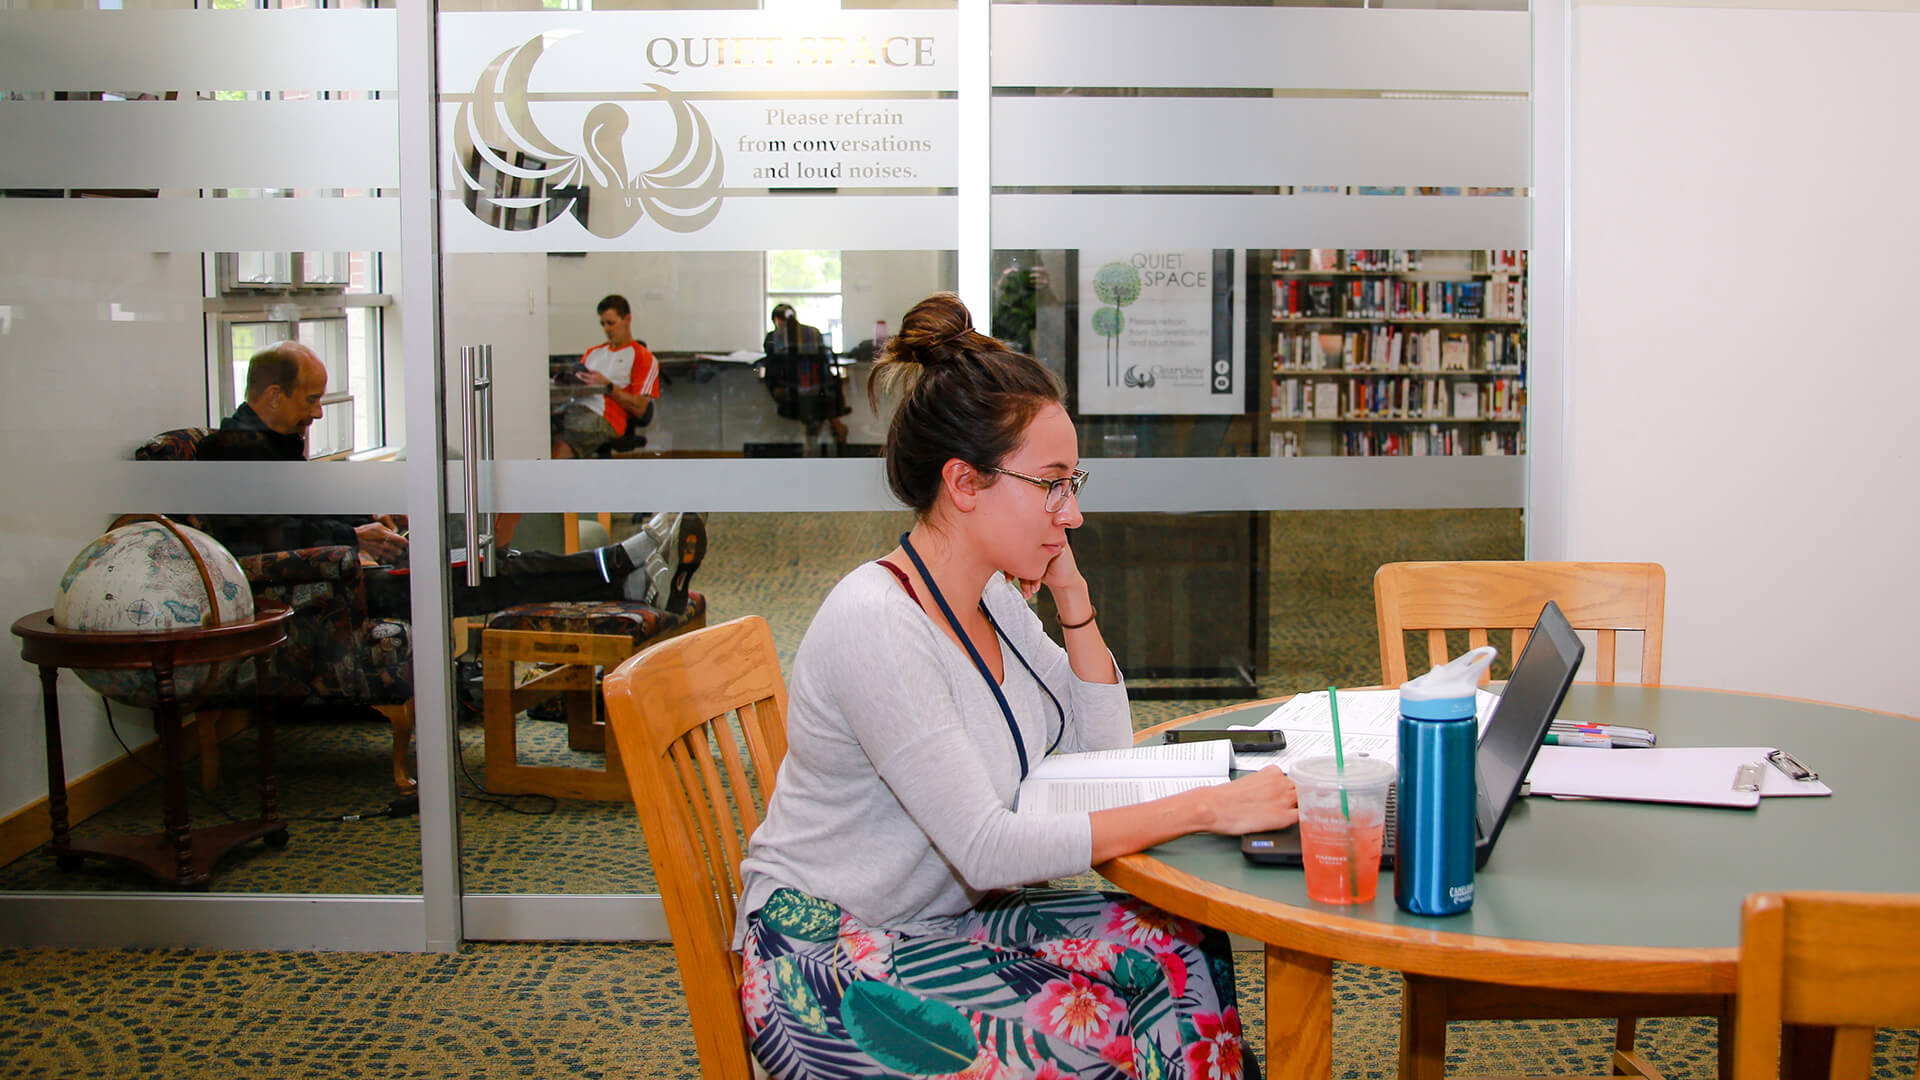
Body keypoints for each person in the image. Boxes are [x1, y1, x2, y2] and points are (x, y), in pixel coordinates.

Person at [734, 293, 1299, 1079]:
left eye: (1074, 483)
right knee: (1115, 1032)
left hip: (936, 923)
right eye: (1052, 484)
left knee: (1184, 942)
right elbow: (986, 847)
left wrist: (1072, 597)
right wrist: (1212, 806)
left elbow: (1100, 754)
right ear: (964, 482)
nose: (1070, 513)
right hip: (833, 960)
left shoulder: (991, 595)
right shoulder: (881, 622)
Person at [199, 342, 702, 618]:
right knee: (492, 573)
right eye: (309, 400)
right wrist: (351, 537)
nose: (315, 414)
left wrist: (366, 522)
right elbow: (267, 536)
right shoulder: (234, 454)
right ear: (271, 396)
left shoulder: (271, 444)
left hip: (351, 567)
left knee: (497, 562)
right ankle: (623, 566)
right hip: (335, 588)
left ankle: (625, 572)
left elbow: (302, 514)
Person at [551, 294, 660, 459]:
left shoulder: (642, 357)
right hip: (576, 408)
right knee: (542, 428)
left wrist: (608, 387)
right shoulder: (593, 353)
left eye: (611, 323)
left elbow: (641, 409)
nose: (607, 329)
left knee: (562, 443)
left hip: (605, 415)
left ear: (627, 319)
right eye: (603, 324)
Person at [760, 302, 850, 448]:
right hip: (819, 389)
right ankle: (834, 428)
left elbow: (772, 368)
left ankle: (814, 441)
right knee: (820, 403)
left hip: (791, 392)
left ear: (776, 320)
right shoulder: (813, 333)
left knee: (809, 403)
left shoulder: (774, 337)